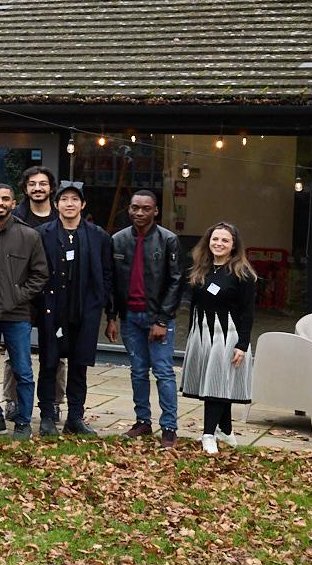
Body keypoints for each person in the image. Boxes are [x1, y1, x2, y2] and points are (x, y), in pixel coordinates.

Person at [0, 183, 49, 439]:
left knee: (23, 370)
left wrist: (18, 296)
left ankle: (23, 421)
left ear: (14, 203)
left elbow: (40, 274)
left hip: (17, 315)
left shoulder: (29, 236)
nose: (0, 203)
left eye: (5, 199)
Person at [106, 189, 183, 447]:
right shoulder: (118, 240)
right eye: (135, 207)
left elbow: (176, 281)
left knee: (163, 372)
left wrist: (162, 320)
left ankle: (169, 426)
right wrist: (112, 317)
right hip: (129, 318)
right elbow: (112, 282)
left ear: (156, 211)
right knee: (138, 371)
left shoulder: (168, 240)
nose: (139, 212)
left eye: (146, 208)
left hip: (157, 318)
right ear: (129, 209)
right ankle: (143, 421)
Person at [36, 182, 111, 437]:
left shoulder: (97, 235)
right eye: (64, 199)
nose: (69, 204)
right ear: (56, 204)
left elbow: (107, 272)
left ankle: (75, 417)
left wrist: (103, 306)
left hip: (85, 310)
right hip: (52, 309)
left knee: (79, 366)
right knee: (49, 364)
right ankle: (47, 415)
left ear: (83, 204)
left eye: (74, 199)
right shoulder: (42, 233)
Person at [180, 222, 257, 454]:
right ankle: (226, 429)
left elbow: (248, 312)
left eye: (225, 240)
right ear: (208, 241)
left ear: (234, 245)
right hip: (202, 335)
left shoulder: (243, 274)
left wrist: (242, 344)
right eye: (215, 239)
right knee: (217, 382)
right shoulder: (201, 268)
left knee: (216, 385)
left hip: (228, 337)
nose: (219, 244)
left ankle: (208, 434)